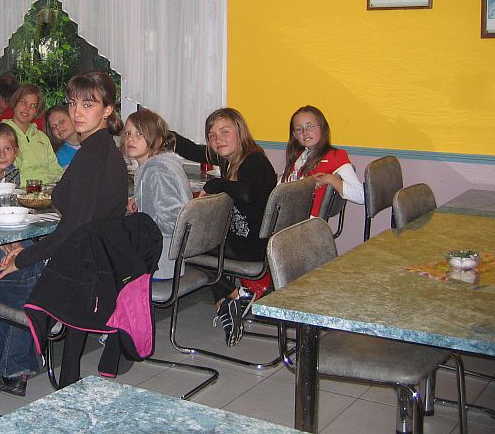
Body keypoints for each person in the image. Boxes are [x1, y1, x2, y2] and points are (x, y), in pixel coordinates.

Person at [0, 71, 127, 395]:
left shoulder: (91, 157)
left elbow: (73, 228)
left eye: (88, 105)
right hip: (93, 268)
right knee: (9, 264)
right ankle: (29, 366)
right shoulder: (105, 150)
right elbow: (80, 223)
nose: (77, 112)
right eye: (73, 103)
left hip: (73, 275)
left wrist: (24, 258)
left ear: (108, 110)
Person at [173, 108, 276, 347]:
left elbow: (246, 194)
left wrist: (215, 184)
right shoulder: (231, 158)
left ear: (240, 131)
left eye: (224, 132)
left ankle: (235, 295)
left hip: (250, 247)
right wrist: (166, 136)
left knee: (183, 247)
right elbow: (193, 150)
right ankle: (227, 306)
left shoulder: (254, 161)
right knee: (201, 239)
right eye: (212, 135)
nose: (218, 139)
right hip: (247, 239)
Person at [123, 109, 191, 280]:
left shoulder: (157, 170)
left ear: (158, 141)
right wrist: (140, 202)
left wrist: (136, 223)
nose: (130, 139)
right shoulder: (157, 165)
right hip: (163, 257)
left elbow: (173, 222)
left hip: (160, 262)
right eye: (128, 133)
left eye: (139, 134)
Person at [280, 105, 364, 216]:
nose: (305, 132)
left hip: (307, 221)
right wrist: (307, 183)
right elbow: (279, 191)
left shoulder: (336, 156)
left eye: (310, 126)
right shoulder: (298, 157)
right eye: (299, 129)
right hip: (288, 215)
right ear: (295, 135)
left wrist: (329, 179)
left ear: (322, 128)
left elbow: (360, 196)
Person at [2, 85, 63, 184]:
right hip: (18, 189)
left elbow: (55, 171)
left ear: (36, 112)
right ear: (15, 103)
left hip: (47, 189)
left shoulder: (42, 137)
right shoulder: (1, 134)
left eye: (33, 106)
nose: (27, 108)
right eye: (23, 102)